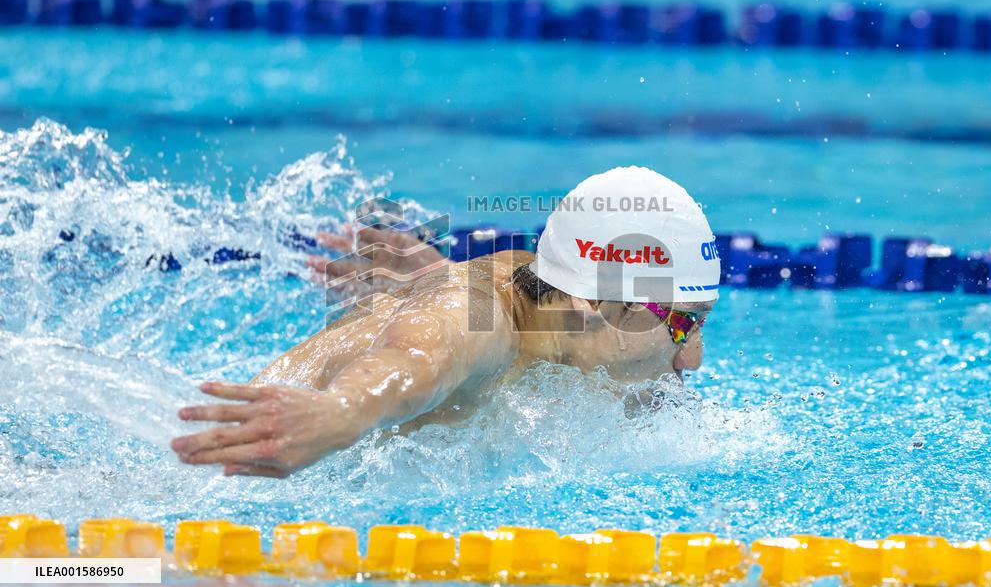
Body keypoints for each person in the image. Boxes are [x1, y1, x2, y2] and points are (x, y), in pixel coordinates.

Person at [170, 167, 721, 478]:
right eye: (679, 324)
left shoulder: (545, 293)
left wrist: (433, 279)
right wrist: (342, 412)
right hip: (214, 466)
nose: (690, 356)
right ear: (589, 304)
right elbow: (415, 361)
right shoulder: (468, 318)